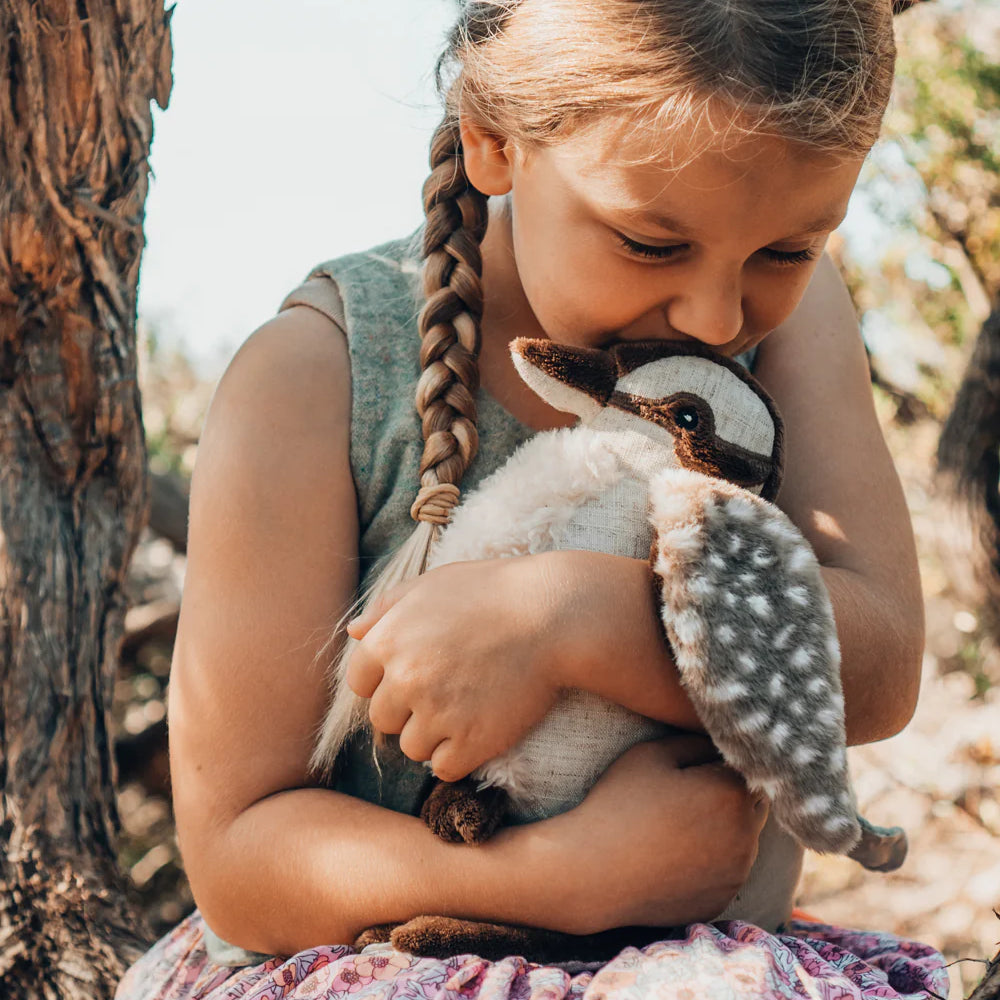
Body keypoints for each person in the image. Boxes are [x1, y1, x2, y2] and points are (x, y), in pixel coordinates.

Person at [116, 2, 950, 998]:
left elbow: (883, 663)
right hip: (375, 961)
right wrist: (563, 879)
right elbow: (241, 859)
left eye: (786, 251)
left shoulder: (795, 326)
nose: (718, 317)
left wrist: (576, 619)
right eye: (648, 242)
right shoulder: (318, 375)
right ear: (492, 139)